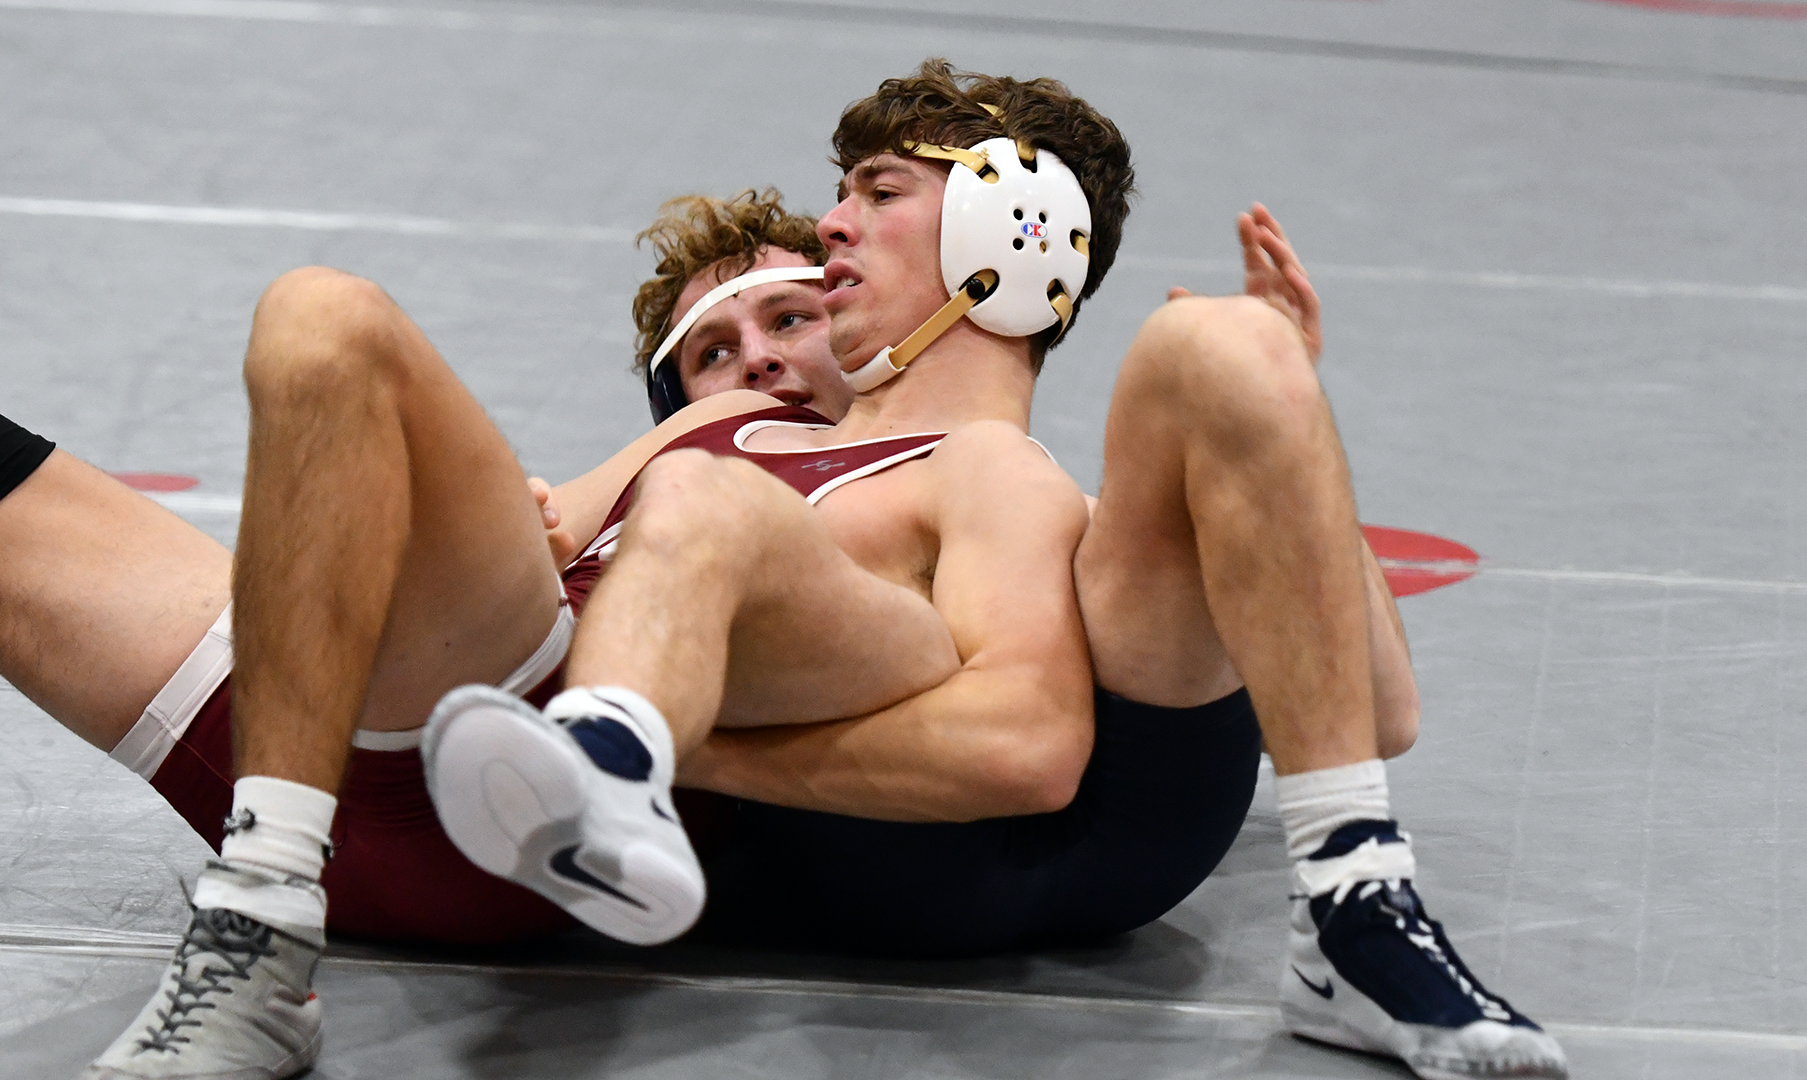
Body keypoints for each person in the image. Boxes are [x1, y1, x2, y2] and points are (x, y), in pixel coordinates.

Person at [425, 61, 1567, 1080]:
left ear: (1006, 229)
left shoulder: (1054, 512)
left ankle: (1356, 906)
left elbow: (1386, 712)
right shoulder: (728, 441)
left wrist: (1281, 423)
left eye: (878, 193)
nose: (831, 225)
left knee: (1216, 346)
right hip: (847, 843)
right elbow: (529, 544)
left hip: (1083, 821)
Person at [0, 191, 854, 1080]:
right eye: (714, 352)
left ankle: (257, 922)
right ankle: (270, 885)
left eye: (790, 319)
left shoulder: (934, 469)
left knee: (324, 317)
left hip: (515, 795)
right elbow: (552, 521)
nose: (757, 359)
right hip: (318, 751)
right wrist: (528, 527)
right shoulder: (697, 440)